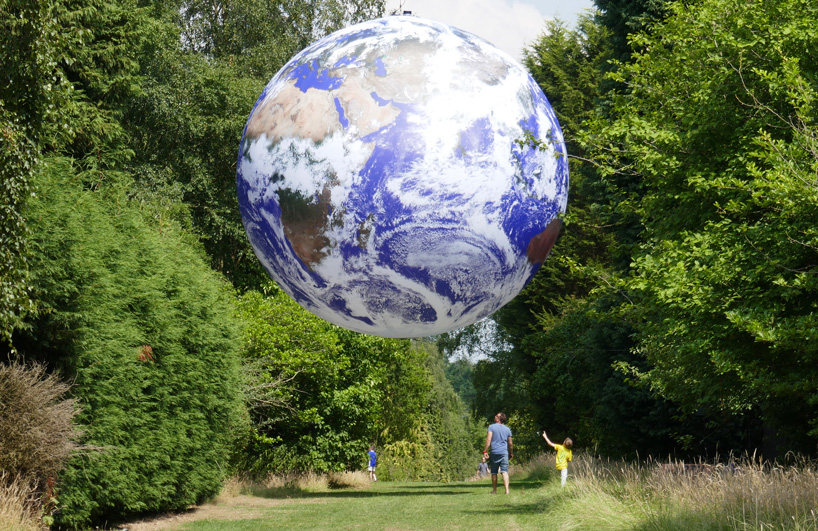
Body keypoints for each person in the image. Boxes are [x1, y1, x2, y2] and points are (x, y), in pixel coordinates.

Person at [483, 412, 513, 494]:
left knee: (494, 472)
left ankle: (494, 490)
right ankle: (507, 490)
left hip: (494, 452)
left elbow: (488, 440)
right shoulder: (507, 429)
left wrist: (485, 451)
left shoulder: (491, 427)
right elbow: (510, 443)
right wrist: (511, 453)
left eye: (496, 416)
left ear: (498, 418)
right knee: (504, 471)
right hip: (504, 453)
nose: (495, 416)